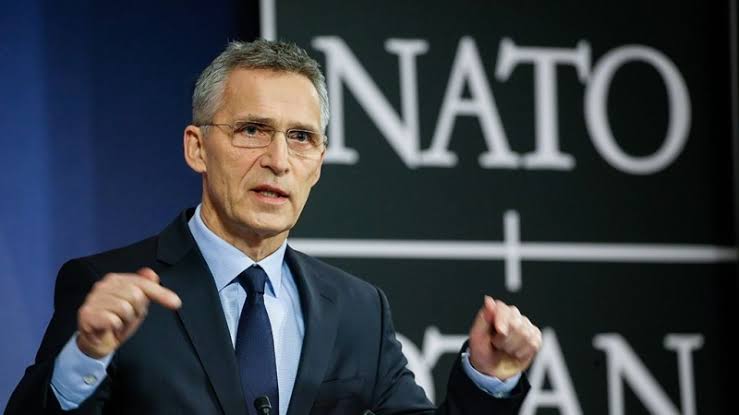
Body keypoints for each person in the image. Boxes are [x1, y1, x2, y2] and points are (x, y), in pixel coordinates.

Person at [6, 39, 542, 415]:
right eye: (252, 130)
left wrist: (487, 378)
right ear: (197, 148)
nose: (278, 160)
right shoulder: (106, 287)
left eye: (301, 137)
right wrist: (88, 354)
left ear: (319, 162)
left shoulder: (359, 309)